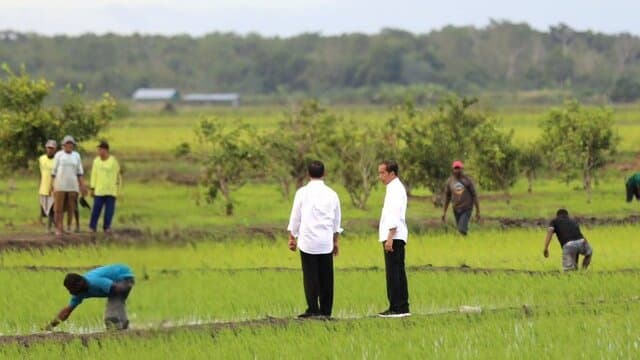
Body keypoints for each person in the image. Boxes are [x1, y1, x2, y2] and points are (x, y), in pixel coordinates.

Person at [287, 160, 342, 319]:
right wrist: (335, 241)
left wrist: (292, 237)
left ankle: (312, 309)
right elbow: (336, 221)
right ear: (324, 174)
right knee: (327, 276)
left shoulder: (302, 193)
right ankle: (326, 310)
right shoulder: (332, 194)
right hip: (325, 241)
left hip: (307, 241)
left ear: (308, 174)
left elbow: (295, 217)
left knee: (310, 276)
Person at [44, 263, 135, 331]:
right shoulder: (79, 293)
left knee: (111, 316)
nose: (70, 292)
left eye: (71, 289)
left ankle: (120, 331)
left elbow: (116, 288)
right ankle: (123, 328)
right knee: (115, 310)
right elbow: (67, 311)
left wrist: (126, 287)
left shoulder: (95, 282)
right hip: (116, 284)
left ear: (80, 284)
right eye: (69, 290)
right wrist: (50, 326)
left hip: (123, 277)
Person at [377, 160, 410, 318]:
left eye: (382, 173)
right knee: (394, 271)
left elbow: (395, 214)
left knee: (395, 272)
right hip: (393, 235)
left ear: (392, 173)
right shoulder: (393, 188)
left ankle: (398, 307)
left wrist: (390, 236)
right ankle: (398, 305)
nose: (380, 176)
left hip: (394, 236)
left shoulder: (396, 189)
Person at [51, 135, 87, 236]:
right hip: (60, 185)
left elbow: (79, 172)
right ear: (64, 145)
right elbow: (53, 172)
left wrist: (82, 185)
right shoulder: (59, 155)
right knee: (58, 208)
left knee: (71, 207)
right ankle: (59, 228)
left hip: (72, 186)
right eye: (67, 143)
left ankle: (68, 227)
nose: (69, 146)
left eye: (71, 144)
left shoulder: (76, 156)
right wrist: (52, 185)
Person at [89, 140, 122, 234]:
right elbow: (93, 175)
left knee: (109, 211)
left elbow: (118, 176)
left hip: (111, 191)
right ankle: (92, 227)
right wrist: (92, 188)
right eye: (98, 150)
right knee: (96, 209)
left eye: (101, 150)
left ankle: (107, 227)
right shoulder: (96, 161)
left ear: (106, 150)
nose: (99, 152)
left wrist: (118, 190)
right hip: (99, 190)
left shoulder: (113, 161)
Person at [442, 160, 480, 235]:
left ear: (462, 169)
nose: (457, 170)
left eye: (459, 168)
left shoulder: (467, 180)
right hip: (456, 209)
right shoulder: (450, 181)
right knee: (462, 230)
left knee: (461, 229)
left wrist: (477, 211)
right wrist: (444, 212)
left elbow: (474, 195)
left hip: (466, 208)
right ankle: (466, 244)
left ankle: (464, 243)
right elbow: (447, 197)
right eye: (455, 168)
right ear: (453, 169)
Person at [38, 140, 57, 233]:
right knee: (45, 210)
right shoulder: (41, 159)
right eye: (48, 148)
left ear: (55, 149)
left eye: (52, 148)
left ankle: (49, 228)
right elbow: (41, 173)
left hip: (53, 188)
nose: (50, 150)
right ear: (46, 148)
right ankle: (58, 226)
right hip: (43, 188)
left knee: (52, 210)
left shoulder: (57, 160)